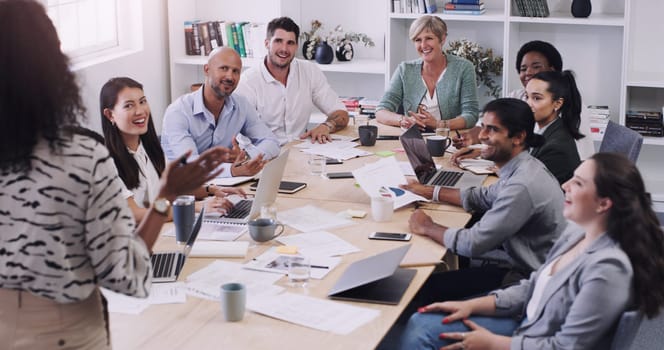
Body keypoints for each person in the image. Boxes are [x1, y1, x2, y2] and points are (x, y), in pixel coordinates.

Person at [0, 1, 229, 348]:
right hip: (66, 333)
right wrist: (166, 201)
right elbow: (128, 273)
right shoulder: (82, 157)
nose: (140, 111)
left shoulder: (140, 149)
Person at [401, 152, 664, 349]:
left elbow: (564, 347)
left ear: (604, 203)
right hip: (530, 324)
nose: (565, 186)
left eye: (579, 183)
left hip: (534, 336)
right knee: (425, 322)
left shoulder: (609, 269)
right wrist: (471, 305)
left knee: (422, 329)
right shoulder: (576, 233)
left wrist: (495, 344)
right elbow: (534, 287)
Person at [402, 98, 567, 295]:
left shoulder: (521, 186)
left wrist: (427, 226)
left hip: (526, 281)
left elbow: (472, 243)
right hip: (528, 266)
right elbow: (483, 196)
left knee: (418, 289)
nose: (481, 136)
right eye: (483, 127)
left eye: (492, 129)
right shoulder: (525, 167)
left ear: (518, 137)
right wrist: (430, 191)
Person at [100, 77, 245, 223]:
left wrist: (212, 190)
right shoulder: (104, 164)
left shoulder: (149, 150)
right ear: (110, 115)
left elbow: (174, 188)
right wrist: (194, 207)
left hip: (160, 230)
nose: (140, 111)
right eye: (129, 106)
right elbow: (135, 214)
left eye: (142, 102)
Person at [453, 40, 594, 160]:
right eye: (523, 68)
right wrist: (475, 142)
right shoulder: (516, 96)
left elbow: (578, 158)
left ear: (553, 70)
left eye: (536, 67)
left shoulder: (572, 109)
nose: (528, 73)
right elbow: (488, 123)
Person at [161, 46, 280, 177]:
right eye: (224, 68)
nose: (230, 77)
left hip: (226, 186)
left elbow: (271, 142)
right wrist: (232, 171)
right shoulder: (178, 112)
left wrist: (245, 156)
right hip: (185, 190)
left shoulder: (241, 105)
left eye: (236, 71)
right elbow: (190, 165)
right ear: (207, 70)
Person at [454, 70, 583, 184]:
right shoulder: (544, 128)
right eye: (527, 96)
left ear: (557, 103)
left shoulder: (556, 147)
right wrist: (481, 153)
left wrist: (505, 169)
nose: (528, 104)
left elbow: (529, 186)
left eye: (537, 98)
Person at [235, 16, 349, 145]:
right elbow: (244, 135)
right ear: (267, 43)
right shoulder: (248, 82)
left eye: (290, 43)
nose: (284, 49)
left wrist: (326, 126)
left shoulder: (309, 71)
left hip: (299, 151)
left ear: (296, 46)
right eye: (278, 41)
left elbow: (342, 114)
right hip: (261, 156)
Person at [376, 15, 479, 131]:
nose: (423, 45)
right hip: (413, 140)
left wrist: (439, 125)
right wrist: (404, 121)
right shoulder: (404, 70)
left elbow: (471, 115)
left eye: (429, 38)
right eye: (418, 40)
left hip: (449, 141)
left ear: (442, 39)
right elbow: (381, 111)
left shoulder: (463, 68)